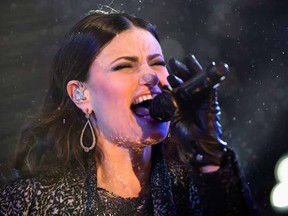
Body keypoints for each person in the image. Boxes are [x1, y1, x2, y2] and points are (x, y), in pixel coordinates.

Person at [0, 11, 259, 215]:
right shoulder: (29, 203)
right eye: (124, 66)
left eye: (157, 62)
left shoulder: (201, 188)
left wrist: (210, 157)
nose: (150, 75)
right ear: (81, 95)